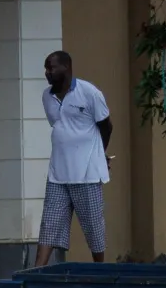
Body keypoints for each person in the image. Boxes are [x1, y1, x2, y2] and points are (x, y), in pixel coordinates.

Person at [37, 50, 113, 267]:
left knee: (93, 230)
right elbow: (59, 126)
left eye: (51, 68)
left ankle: (101, 272)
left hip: (87, 174)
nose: (47, 73)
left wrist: (100, 153)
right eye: (46, 68)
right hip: (58, 175)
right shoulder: (47, 97)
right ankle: (33, 275)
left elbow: (106, 127)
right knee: (48, 228)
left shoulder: (89, 93)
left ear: (67, 68)